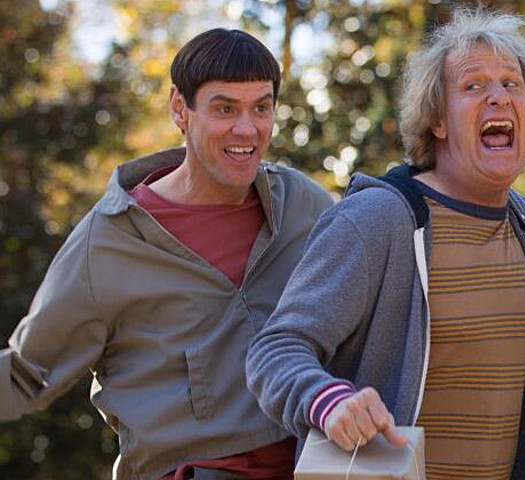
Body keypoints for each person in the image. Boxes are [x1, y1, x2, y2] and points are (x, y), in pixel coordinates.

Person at [246, 7, 525, 480]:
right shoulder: (377, 220)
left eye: (512, 84)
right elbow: (276, 350)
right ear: (437, 120)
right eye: (474, 85)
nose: (499, 96)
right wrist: (327, 401)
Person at [0, 29, 333, 480]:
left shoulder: (302, 204)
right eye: (225, 109)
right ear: (180, 108)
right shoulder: (111, 240)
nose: (247, 129)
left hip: (314, 462)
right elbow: (27, 373)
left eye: (261, 107)